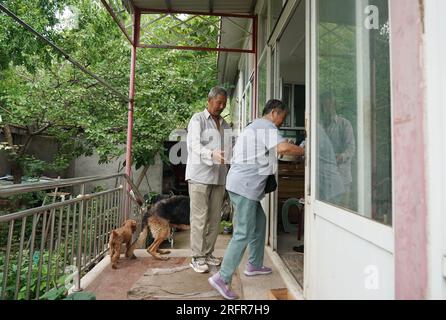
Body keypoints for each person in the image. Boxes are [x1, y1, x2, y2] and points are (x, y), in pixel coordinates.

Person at [208, 99, 305, 300]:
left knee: (260, 222)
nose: (281, 123)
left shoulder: (255, 125)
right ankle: (222, 277)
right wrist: (306, 151)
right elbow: (283, 149)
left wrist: (287, 146)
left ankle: (254, 264)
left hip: (241, 185)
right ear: (275, 113)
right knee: (243, 233)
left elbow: (274, 148)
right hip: (244, 187)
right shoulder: (266, 126)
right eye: (282, 118)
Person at [185, 86, 232, 273]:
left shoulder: (226, 125)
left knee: (214, 219)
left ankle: (208, 253)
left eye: (224, 104)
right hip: (199, 177)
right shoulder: (197, 119)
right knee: (199, 218)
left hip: (219, 177)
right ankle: (197, 257)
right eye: (218, 102)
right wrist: (211, 154)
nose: (221, 106)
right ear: (209, 100)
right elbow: (193, 144)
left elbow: (229, 150)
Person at [320, 92, 355, 207]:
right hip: (324, 178)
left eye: (330, 104)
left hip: (342, 177)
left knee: (342, 211)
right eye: (325, 105)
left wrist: (340, 157)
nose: (328, 107)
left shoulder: (344, 124)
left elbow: (351, 148)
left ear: (335, 105)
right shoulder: (319, 125)